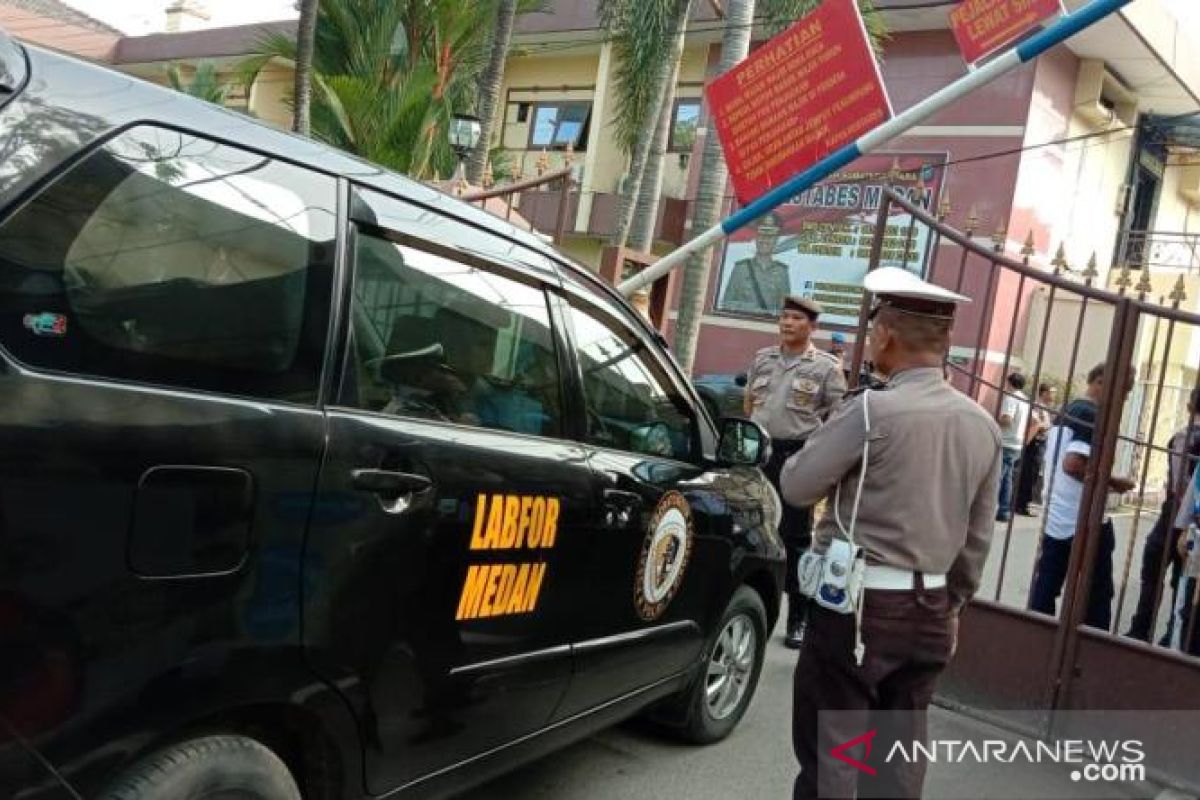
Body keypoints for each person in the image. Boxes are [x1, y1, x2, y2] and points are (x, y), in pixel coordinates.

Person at [781, 267, 1002, 800]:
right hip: (931, 610)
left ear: (885, 334)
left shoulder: (871, 409)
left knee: (834, 757)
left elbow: (795, 485)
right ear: (945, 340)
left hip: (859, 610)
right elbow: (976, 540)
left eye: (874, 325)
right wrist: (951, 602)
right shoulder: (983, 425)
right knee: (899, 760)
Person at [743, 295, 847, 649]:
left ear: (812, 326)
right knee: (752, 530)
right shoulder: (763, 358)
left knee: (795, 539)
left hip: (796, 458)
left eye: (796, 319)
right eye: (784, 317)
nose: (787, 323)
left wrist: (819, 455)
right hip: (759, 454)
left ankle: (798, 616)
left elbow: (840, 415)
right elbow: (749, 403)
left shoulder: (826, 368)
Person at [1029, 363, 1136, 630]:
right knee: (1097, 594)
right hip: (1084, 519)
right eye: (1124, 391)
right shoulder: (1091, 414)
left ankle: (1035, 639)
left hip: (1059, 515)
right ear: (1101, 382)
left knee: (1047, 585)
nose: (1124, 398)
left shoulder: (1069, 408)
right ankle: (1090, 651)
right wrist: (1115, 482)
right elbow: (1074, 464)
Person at [1126, 389, 1200, 644]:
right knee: (1184, 579)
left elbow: (1181, 484)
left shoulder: (1185, 437)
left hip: (1177, 513)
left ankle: (1142, 629)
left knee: (1154, 572)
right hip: (1193, 518)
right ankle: (1173, 635)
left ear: (1190, 406)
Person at [722, 213, 793, 315]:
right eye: (762, 236)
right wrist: (750, 308)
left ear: (776, 240)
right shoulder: (740, 268)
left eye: (770, 237)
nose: (765, 241)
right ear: (756, 238)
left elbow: (784, 310)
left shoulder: (782, 272)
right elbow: (727, 304)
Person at [1015, 382, 1055, 515]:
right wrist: (1046, 425)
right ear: (1044, 393)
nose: (1053, 395)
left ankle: (1023, 503)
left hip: (1040, 444)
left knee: (1033, 474)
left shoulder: (1045, 408)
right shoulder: (1037, 407)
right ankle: (1021, 504)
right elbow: (1038, 425)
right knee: (1028, 474)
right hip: (1034, 444)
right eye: (1051, 392)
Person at [996, 373, 1031, 522]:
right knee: (1007, 478)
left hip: (1007, 441)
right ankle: (1004, 510)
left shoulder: (1011, 398)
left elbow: (1007, 420)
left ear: (1009, 383)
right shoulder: (1025, 400)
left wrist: (994, 420)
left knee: (998, 477)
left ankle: (993, 509)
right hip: (1017, 442)